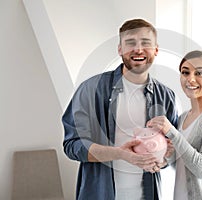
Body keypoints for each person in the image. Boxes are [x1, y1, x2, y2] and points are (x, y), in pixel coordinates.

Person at [62, 18, 178, 200]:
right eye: (130, 43)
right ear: (120, 49)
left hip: (146, 194)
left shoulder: (166, 96)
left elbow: (170, 151)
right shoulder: (90, 89)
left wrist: (163, 158)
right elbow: (73, 145)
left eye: (145, 43)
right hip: (99, 194)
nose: (138, 49)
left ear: (156, 50)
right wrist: (121, 154)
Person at [147, 50, 202, 200]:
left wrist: (171, 132)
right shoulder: (184, 116)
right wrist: (164, 160)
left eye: (199, 73)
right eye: (185, 73)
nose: (190, 79)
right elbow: (183, 163)